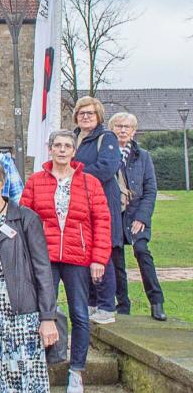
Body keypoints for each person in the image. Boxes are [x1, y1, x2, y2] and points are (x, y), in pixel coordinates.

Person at [21, 129, 112, 393]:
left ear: (74, 151)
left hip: (78, 257)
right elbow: (25, 219)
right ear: (50, 149)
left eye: (67, 146)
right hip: (44, 258)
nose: (62, 150)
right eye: (57, 145)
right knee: (40, 311)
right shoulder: (36, 181)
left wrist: (98, 259)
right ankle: (41, 364)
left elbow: (102, 221)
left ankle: (76, 371)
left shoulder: (89, 183)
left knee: (79, 314)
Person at [0, 158, 58, 392]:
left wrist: (48, 318)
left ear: (3, 183)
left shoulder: (25, 218)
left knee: (23, 382)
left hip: (21, 317)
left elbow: (42, 270)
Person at [108, 112, 165, 320]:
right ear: (112, 129)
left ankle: (156, 301)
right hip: (115, 214)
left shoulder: (144, 156)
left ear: (134, 131)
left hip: (136, 214)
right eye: (119, 126)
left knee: (142, 251)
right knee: (116, 259)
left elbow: (150, 189)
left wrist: (142, 217)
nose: (123, 130)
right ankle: (122, 305)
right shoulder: (108, 154)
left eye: (127, 127)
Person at [72, 96, 121, 325]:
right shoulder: (74, 138)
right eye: (82, 113)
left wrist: (74, 178)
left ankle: (105, 305)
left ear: (98, 116)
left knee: (103, 254)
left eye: (90, 113)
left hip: (100, 201)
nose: (85, 117)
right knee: (85, 252)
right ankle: (92, 301)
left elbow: (107, 167)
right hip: (79, 204)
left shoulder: (106, 138)